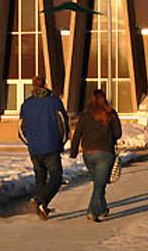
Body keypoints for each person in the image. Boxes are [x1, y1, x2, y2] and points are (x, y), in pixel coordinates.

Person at [68, 88, 124, 222]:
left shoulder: (85, 115)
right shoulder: (110, 114)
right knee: (99, 185)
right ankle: (92, 212)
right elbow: (118, 133)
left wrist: (74, 152)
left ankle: (102, 209)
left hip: (88, 154)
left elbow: (77, 134)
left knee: (99, 183)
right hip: (105, 153)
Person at [16, 78, 68, 220]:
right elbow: (63, 123)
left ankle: (41, 203)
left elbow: (21, 128)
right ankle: (42, 201)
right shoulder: (54, 102)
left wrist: (29, 143)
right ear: (45, 85)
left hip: (35, 148)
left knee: (40, 177)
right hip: (51, 146)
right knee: (56, 177)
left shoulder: (26, 105)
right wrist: (62, 142)